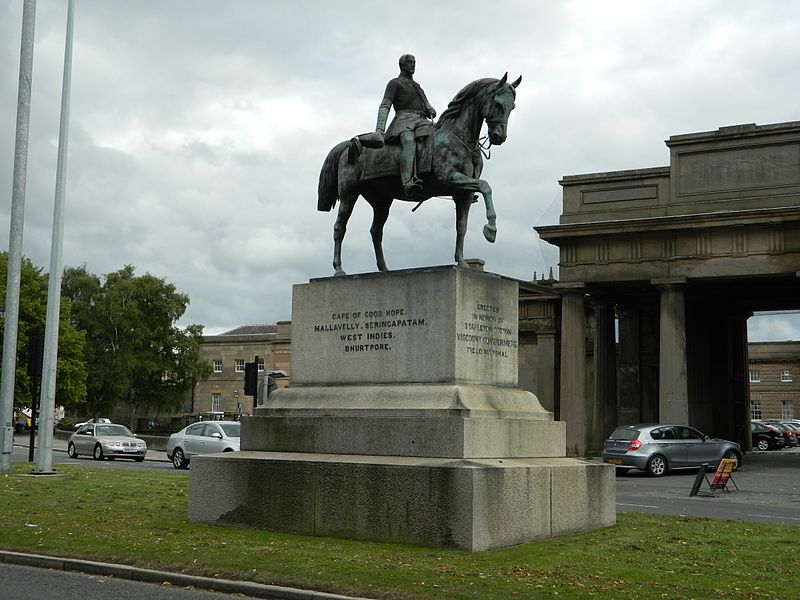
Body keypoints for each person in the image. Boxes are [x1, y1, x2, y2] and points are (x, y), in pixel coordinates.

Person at [376, 54, 436, 195]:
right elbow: (385, 105)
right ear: (402, 65)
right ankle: (408, 182)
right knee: (409, 141)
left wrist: (430, 109)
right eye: (409, 62)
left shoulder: (417, 87)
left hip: (421, 120)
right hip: (403, 121)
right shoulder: (395, 83)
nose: (413, 65)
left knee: (438, 136)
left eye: (414, 62)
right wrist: (380, 129)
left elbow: (427, 105)